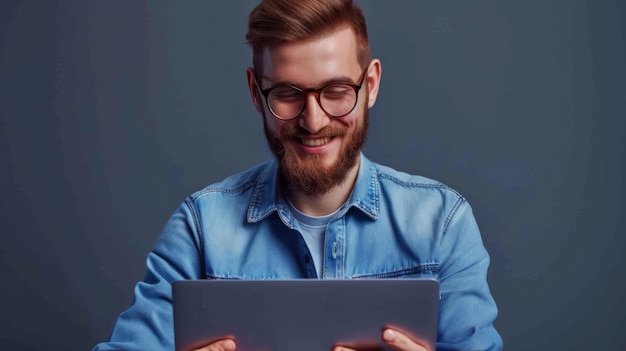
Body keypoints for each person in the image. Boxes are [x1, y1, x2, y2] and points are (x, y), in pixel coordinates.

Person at [93, 0, 503, 350]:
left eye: (337, 91)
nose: (313, 121)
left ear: (371, 85)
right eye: (287, 94)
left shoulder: (443, 224)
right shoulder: (201, 230)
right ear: (256, 92)